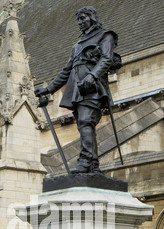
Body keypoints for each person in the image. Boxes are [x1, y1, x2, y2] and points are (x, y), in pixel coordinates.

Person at [35, 6, 119, 174]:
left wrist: (93, 76)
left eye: (83, 18)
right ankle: (93, 166)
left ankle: (85, 161)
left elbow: (107, 58)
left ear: (92, 18)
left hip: (93, 87)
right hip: (77, 90)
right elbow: (66, 70)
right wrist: (48, 89)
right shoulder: (77, 45)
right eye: (78, 19)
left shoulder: (105, 35)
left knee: (86, 121)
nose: (80, 22)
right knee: (84, 125)